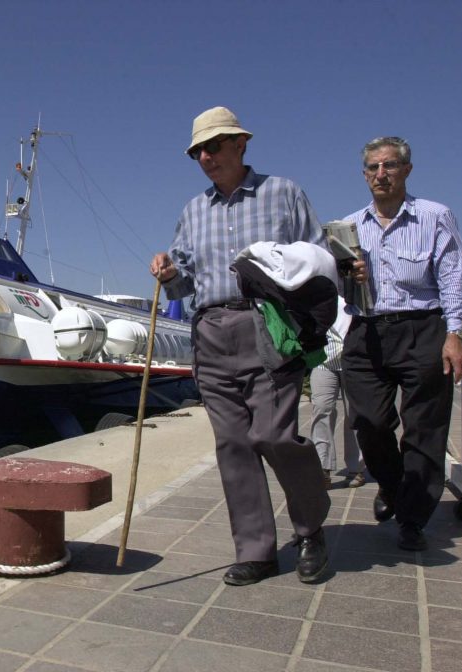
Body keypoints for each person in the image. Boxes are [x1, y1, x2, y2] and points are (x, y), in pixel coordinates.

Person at [150, 107, 353, 586]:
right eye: (197, 150)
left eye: (214, 145)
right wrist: (168, 272)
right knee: (234, 445)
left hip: (268, 325)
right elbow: (183, 283)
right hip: (211, 330)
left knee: (274, 436)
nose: (205, 156)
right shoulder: (192, 211)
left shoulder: (283, 193)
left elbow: (319, 260)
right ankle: (257, 550)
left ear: (241, 144)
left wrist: (315, 324)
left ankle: (311, 528)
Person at [341, 137, 462, 551]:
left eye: (389, 166)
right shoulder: (348, 227)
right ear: (364, 174)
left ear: (406, 170)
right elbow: (333, 288)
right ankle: (391, 483)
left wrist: (454, 333)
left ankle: (413, 519)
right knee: (369, 421)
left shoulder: (434, 216)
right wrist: (348, 276)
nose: (380, 174)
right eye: (371, 168)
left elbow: (455, 278)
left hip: (423, 328)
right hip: (366, 332)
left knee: (424, 429)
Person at [309, 298, 365, 489]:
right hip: (324, 360)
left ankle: (355, 468)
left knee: (353, 415)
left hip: (354, 361)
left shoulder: (357, 294)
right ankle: (322, 468)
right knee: (322, 409)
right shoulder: (322, 291)